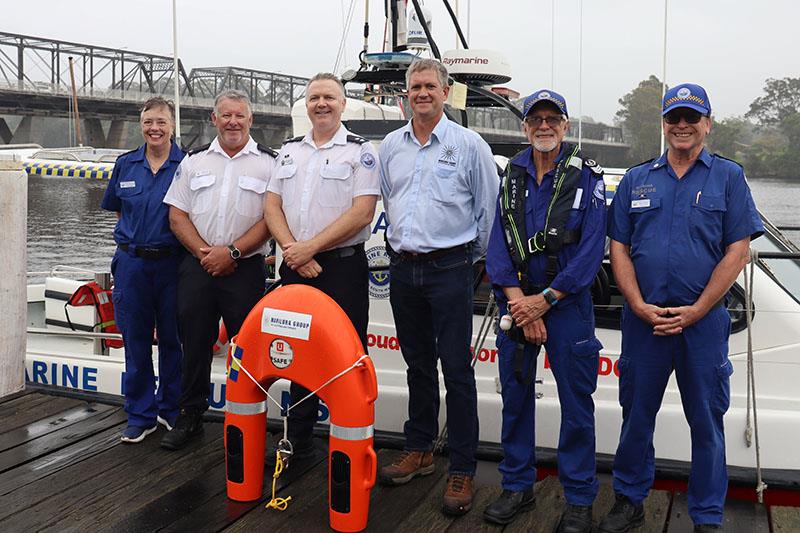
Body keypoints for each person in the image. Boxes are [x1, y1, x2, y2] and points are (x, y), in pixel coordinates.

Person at [600, 83, 764, 533]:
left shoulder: (729, 177)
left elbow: (738, 250)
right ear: (664, 126)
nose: (683, 126)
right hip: (644, 323)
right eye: (674, 118)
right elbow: (619, 248)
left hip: (703, 325)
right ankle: (630, 501)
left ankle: (707, 516)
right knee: (636, 419)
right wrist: (635, 303)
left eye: (692, 118)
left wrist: (696, 310)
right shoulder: (637, 179)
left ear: (708, 124)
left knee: (707, 425)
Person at [376, 58, 497, 516]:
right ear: (406, 93)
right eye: (414, 86)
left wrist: (468, 263)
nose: (421, 93)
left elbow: (486, 213)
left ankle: (462, 467)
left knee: (457, 370)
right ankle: (420, 448)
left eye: (429, 86)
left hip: (451, 268)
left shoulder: (470, 146)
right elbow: (390, 197)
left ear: (445, 92)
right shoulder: (391, 145)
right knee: (417, 365)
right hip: (404, 268)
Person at [483, 90, 606, 531]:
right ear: (525, 127)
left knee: (576, 405)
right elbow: (497, 243)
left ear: (566, 126)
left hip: (566, 304)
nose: (544, 126)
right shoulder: (511, 174)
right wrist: (519, 303)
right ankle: (517, 487)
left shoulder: (587, 177)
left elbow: (592, 251)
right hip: (517, 304)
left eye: (553, 119)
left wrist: (546, 301)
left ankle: (578, 499)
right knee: (515, 400)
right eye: (536, 119)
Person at [265, 72, 379, 459]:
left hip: (342, 269)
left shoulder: (361, 152)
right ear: (306, 105)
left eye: (329, 97)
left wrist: (308, 248)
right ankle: (296, 438)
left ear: (344, 103)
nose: (321, 104)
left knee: (347, 354)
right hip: (296, 264)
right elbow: (272, 205)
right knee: (298, 353)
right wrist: (291, 248)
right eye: (314, 98)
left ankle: (351, 439)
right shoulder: (288, 152)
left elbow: (363, 212)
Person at [161, 89, 276, 450]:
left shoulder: (269, 164)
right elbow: (177, 214)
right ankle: (190, 415)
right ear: (214, 119)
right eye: (225, 115)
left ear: (250, 120)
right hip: (198, 265)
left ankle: (246, 418)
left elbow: (271, 219)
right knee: (193, 344)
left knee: (246, 346)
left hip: (245, 268)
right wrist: (205, 253)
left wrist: (233, 252)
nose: (233, 122)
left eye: (239, 115)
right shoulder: (194, 162)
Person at [101, 97, 185, 443]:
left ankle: (170, 410)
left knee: (173, 339)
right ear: (141, 125)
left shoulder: (187, 165)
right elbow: (118, 211)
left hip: (173, 264)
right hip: (132, 264)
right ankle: (140, 414)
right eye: (149, 121)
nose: (155, 128)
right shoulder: (126, 165)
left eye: (161, 122)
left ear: (172, 126)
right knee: (135, 340)